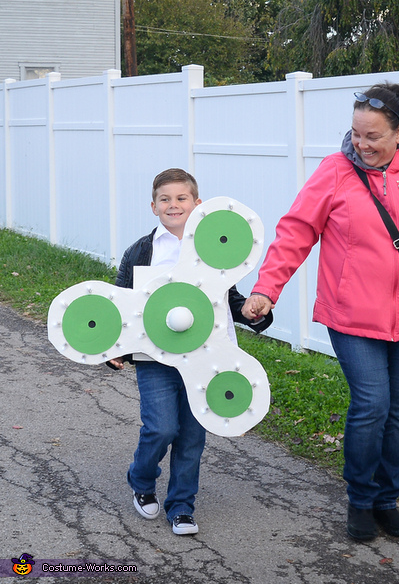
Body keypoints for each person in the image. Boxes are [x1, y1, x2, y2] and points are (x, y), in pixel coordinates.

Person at [242, 83, 399, 541]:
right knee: (372, 405)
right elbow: (296, 231)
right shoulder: (336, 170)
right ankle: (359, 501)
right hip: (351, 314)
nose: (362, 144)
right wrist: (267, 291)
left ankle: (386, 498)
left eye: (373, 136)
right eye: (356, 133)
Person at [109, 168, 272, 535]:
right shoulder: (142, 250)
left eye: (181, 198)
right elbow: (122, 301)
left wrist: (250, 311)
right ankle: (141, 478)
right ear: (153, 206)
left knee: (193, 436)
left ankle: (182, 506)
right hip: (156, 359)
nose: (173, 205)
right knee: (162, 427)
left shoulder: (214, 249)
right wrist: (114, 347)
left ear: (197, 204)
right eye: (165, 199)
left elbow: (225, 300)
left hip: (206, 358)